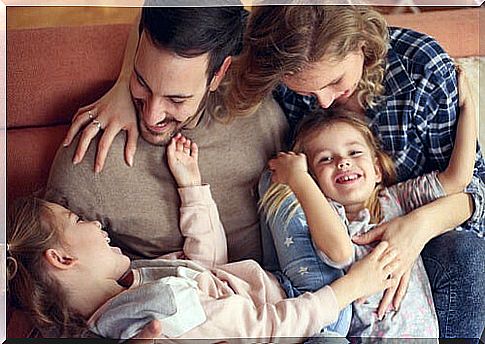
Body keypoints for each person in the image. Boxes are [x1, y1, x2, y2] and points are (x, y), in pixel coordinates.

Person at [226, 6, 485, 339]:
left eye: (335, 81)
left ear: (362, 42)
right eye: (306, 91)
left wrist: (416, 228)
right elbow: (197, 30)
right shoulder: (282, 68)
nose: (322, 102)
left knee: (468, 253)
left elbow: (468, 185)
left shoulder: (420, 69)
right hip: (348, 310)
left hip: (426, 260)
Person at [6, 133, 398, 340]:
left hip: (291, 298)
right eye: (78, 221)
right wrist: (350, 287)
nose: (96, 224)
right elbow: (266, 330)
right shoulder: (160, 312)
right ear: (61, 258)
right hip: (309, 321)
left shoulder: (133, 288)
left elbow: (208, 269)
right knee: (276, 182)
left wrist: (192, 186)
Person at [46, 6, 288, 266]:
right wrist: (122, 84)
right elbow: (54, 277)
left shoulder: (261, 114)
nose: (152, 116)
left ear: (219, 74)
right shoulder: (92, 157)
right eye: (142, 82)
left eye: (176, 99)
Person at [259, 69, 476, 338]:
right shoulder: (326, 215)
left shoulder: (397, 200)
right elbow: (340, 252)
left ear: (376, 170)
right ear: (314, 182)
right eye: (325, 159)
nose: (342, 161)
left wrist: (467, 107)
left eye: (354, 152)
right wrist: (299, 179)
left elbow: (457, 179)